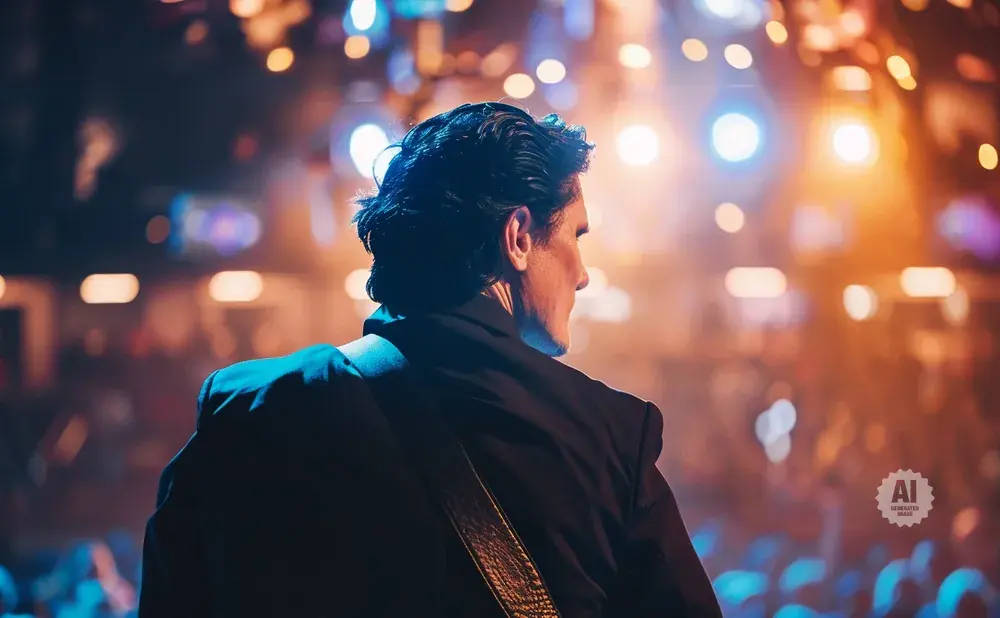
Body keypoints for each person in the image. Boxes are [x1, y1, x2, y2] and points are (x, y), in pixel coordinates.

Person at [138, 102, 721, 617]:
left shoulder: (246, 411)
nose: (584, 273)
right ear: (518, 236)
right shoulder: (608, 439)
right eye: (577, 234)